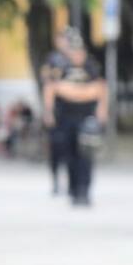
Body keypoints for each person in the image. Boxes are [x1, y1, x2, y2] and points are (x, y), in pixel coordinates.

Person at [44, 28, 108, 207]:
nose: (77, 55)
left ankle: (84, 191)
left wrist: (100, 109)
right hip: (65, 116)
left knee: (86, 154)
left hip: (86, 115)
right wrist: (49, 110)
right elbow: (52, 88)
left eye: (80, 51)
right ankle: (73, 189)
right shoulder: (60, 65)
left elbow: (99, 88)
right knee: (69, 153)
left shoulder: (91, 66)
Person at [41, 29, 76, 193]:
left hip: (74, 110)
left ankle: (71, 182)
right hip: (58, 110)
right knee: (56, 147)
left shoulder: (77, 60)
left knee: (72, 148)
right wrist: (48, 111)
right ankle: (55, 180)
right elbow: (48, 84)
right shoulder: (52, 60)